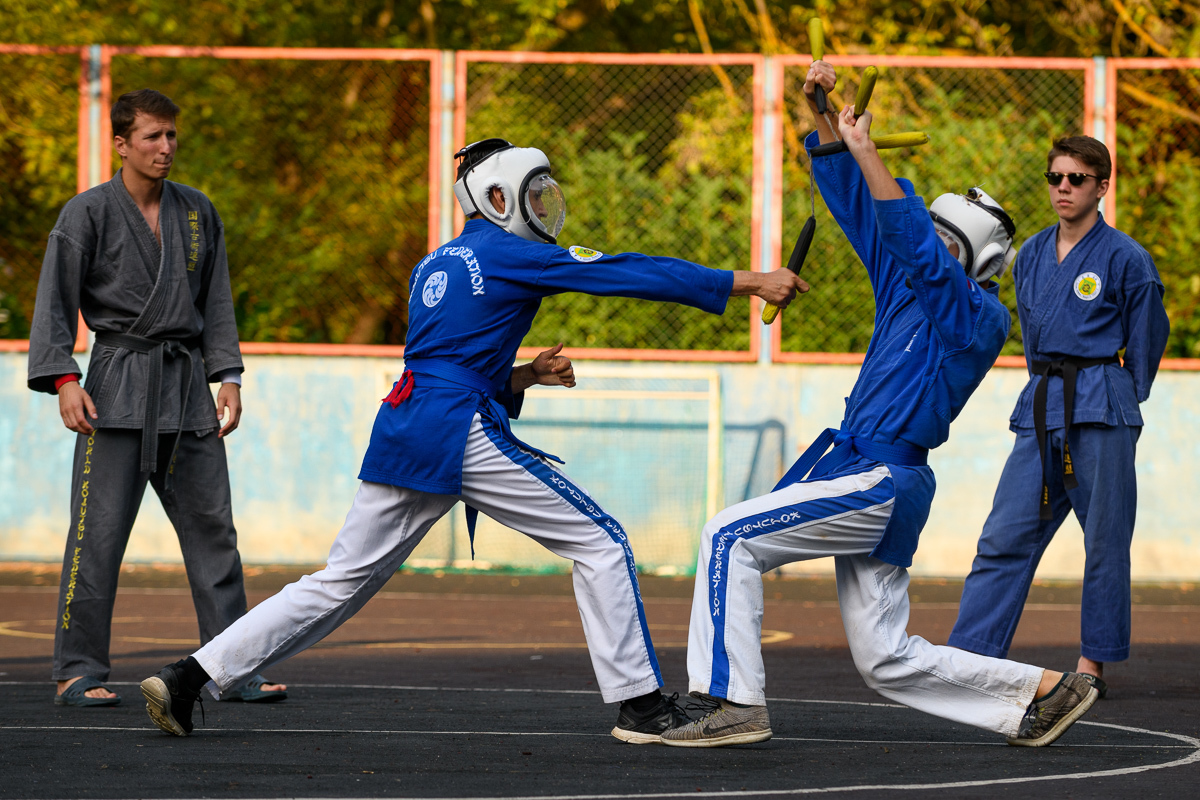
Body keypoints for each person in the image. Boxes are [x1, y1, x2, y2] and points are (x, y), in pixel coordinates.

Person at [138, 137, 808, 741]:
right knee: (601, 541)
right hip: (457, 427)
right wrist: (749, 282)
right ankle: (641, 707)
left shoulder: (436, 262)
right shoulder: (509, 252)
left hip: (406, 424)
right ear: (496, 198)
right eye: (535, 194)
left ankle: (188, 677)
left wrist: (524, 376)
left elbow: (451, 356)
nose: (546, 207)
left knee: (337, 581)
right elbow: (627, 271)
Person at [660, 63, 1098, 749]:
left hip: (884, 481)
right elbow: (868, 213)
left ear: (977, 262)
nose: (925, 245)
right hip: (861, 473)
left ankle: (731, 701)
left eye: (948, 241)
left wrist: (869, 151)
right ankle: (1041, 693)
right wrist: (821, 114)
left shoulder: (979, 318)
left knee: (728, 536)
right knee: (886, 658)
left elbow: (920, 252)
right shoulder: (907, 284)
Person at [27, 89, 285, 707]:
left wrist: (228, 375)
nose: (166, 148)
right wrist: (63, 380)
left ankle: (233, 666)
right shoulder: (85, 214)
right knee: (97, 535)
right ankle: (78, 669)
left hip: (187, 387)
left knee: (214, 535)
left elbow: (215, 301)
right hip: (114, 386)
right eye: (151, 137)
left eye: (171, 136)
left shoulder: (198, 212)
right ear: (121, 143)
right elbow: (55, 304)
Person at [948, 136, 1170, 697]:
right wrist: (1046, 381)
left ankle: (1091, 666)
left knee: (1105, 539)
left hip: (1102, 404)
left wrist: (1119, 391)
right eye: (1055, 178)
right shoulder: (1031, 254)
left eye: (1076, 179)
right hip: (1043, 402)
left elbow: (1147, 339)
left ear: (1101, 185)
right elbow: (1032, 341)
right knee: (1003, 536)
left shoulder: (1126, 257)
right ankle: (969, 660)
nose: (1064, 188)